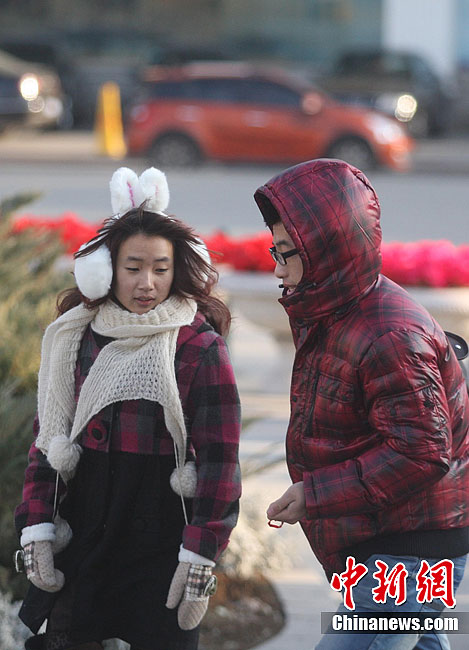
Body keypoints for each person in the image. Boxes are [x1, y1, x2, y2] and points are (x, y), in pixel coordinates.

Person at [14, 167, 241, 650]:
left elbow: (221, 461)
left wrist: (202, 553)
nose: (147, 283)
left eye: (160, 269)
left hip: (160, 533)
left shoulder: (197, 346)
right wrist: (35, 526)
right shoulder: (74, 338)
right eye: (133, 267)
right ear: (106, 269)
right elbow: (48, 443)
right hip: (88, 525)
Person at [254, 158, 469, 649]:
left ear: (327, 251)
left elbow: (422, 452)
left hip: (410, 552)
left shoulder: (388, 333)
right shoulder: (336, 308)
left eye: (286, 253)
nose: (276, 266)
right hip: (390, 539)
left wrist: (316, 494)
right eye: (275, 250)